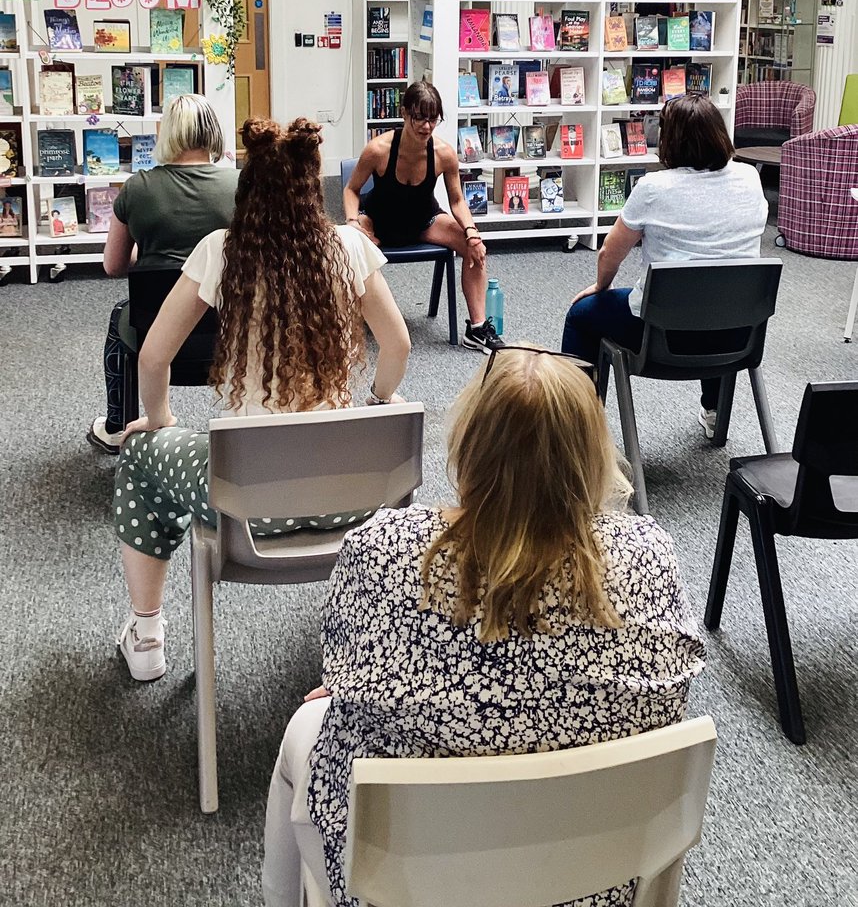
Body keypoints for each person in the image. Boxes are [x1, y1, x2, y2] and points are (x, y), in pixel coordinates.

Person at [262, 347, 705, 907]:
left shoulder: (380, 550)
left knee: (307, 722)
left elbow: (342, 670)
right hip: (593, 875)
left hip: (401, 884)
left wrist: (364, 683)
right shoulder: (649, 556)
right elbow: (668, 692)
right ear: (592, 453)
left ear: (469, 443)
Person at [112, 117, 411, 682]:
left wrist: (162, 423)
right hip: (354, 500)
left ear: (246, 188)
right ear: (312, 187)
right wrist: (381, 399)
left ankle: (147, 634)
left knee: (137, 458)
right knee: (386, 418)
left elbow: (153, 358)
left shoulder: (221, 252)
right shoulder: (349, 247)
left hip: (245, 508)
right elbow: (397, 345)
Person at [562, 93, 768, 438]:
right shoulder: (750, 177)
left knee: (582, 314)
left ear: (671, 139)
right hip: (738, 334)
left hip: (662, 339)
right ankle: (715, 410)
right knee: (715, 297)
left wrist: (601, 287)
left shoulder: (653, 187)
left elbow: (609, 253)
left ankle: (577, 431)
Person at [87, 94, 239, 454]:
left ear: (167, 133)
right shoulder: (242, 185)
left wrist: (149, 248)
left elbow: (113, 265)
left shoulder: (137, 187)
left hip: (156, 339)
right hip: (231, 334)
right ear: (213, 132)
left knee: (119, 316)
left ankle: (116, 425)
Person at [345, 81, 504, 352]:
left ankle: (477, 329)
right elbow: (352, 189)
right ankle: (343, 326)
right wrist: (352, 224)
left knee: (473, 246)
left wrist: (472, 232)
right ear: (405, 114)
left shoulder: (444, 154)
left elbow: (456, 200)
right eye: (419, 117)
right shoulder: (378, 150)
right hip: (379, 221)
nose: (426, 126)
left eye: (433, 119)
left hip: (423, 221)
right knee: (349, 244)